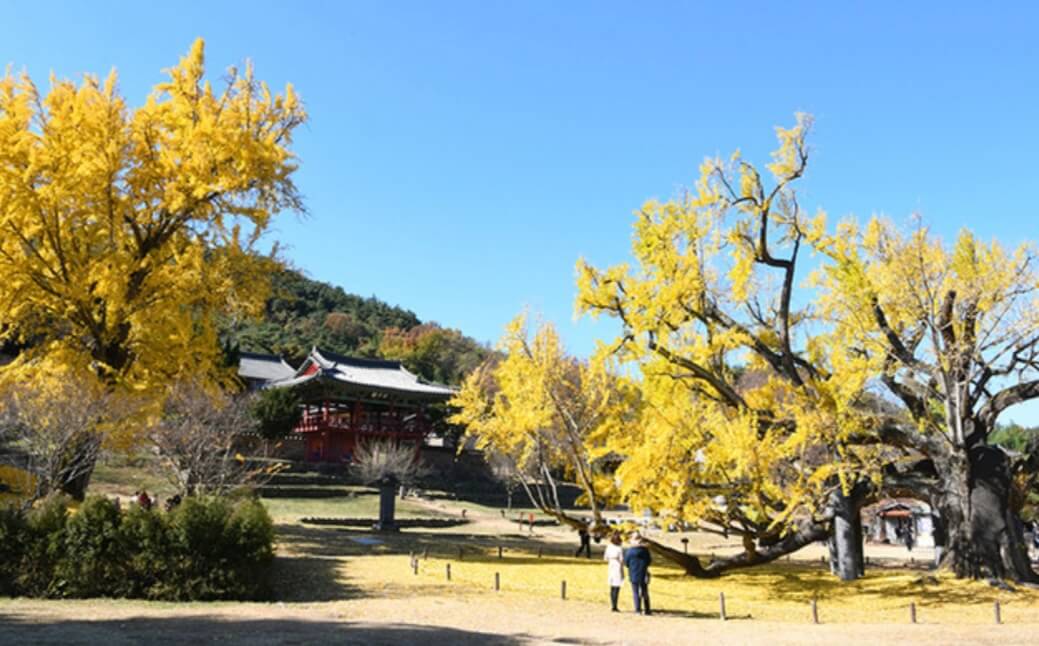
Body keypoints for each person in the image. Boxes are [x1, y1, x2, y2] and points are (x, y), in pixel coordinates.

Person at [623, 533, 652, 615]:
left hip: (633, 572)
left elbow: (626, 562)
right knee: (645, 591)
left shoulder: (630, 551)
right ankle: (647, 609)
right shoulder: (645, 550)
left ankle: (638, 609)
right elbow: (649, 561)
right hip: (644, 572)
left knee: (635, 592)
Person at [603, 533, 625, 612]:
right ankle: (615, 605)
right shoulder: (619, 548)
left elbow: (605, 558)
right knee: (616, 586)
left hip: (611, 566)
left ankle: (613, 604)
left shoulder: (609, 547)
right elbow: (621, 559)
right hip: (617, 566)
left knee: (612, 586)